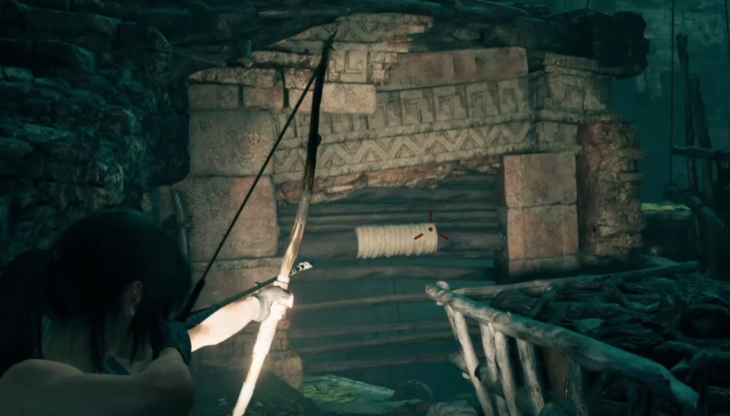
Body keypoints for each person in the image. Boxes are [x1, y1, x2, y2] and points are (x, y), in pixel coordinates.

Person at [0, 209, 293, 416]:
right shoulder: (25, 382)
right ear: (133, 298)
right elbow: (171, 391)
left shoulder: (107, 365)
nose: (162, 322)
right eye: (161, 312)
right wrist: (171, 344)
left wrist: (260, 304)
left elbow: (202, 331)